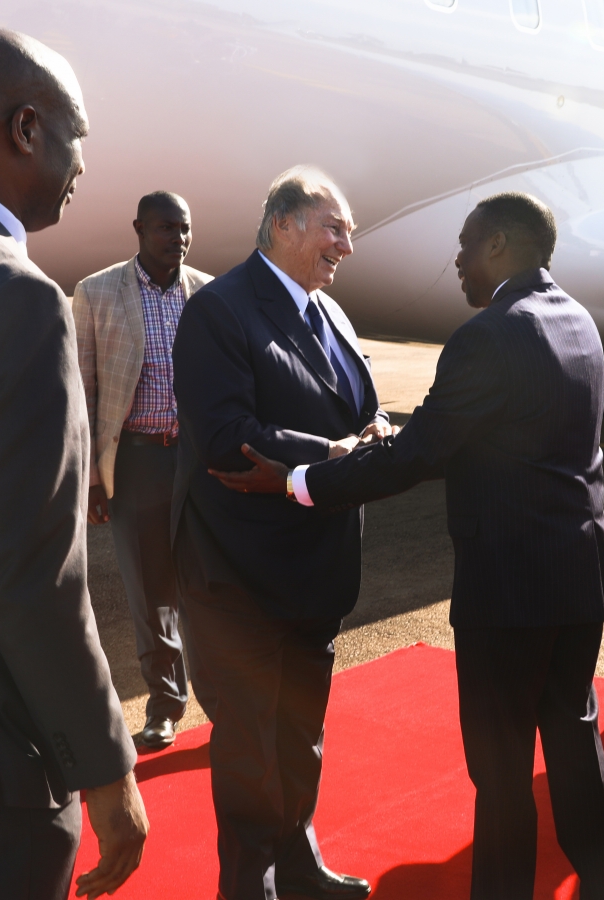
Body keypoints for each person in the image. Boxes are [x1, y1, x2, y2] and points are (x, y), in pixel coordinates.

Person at [211, 192, 604, 900]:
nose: (457, 262)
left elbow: (421, 454)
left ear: (498, 245)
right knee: (574, 735)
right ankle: (602, 885)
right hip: (580, 575)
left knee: (500, 773)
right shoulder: (578, 319)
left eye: (465, 246)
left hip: (510, 590)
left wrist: (301, 482)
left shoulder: (490, 333)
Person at [171, 166, 387, 900]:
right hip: (241, 577)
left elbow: (355, 415)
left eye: (348, 233)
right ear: (285, 225)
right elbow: (229, 439)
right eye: (335, 228)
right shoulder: (221, 311)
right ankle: (251, 887)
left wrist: (371, 433)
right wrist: (333, 455)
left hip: (316, 573)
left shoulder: (332, 313)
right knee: (247, 754)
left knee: (300, 741)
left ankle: (298, 867)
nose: (345, 247)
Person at [0, 27, 148, 900]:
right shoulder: (19, 302)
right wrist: (105, 766)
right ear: (24, 130)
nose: (84, 157)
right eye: (74, 131)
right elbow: (32, 578)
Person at [73, 191, 214, 749]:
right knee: (150, 589)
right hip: (135, 461)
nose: (176, 239)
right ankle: (165, 705)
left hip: (199, 460)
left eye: (183, 229)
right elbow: (82, 393)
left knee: (207, 581)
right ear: (138, 228)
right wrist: (91, 480)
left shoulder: (207, 293)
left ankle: (221, 699)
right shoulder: (98, 291)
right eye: (164, 228)